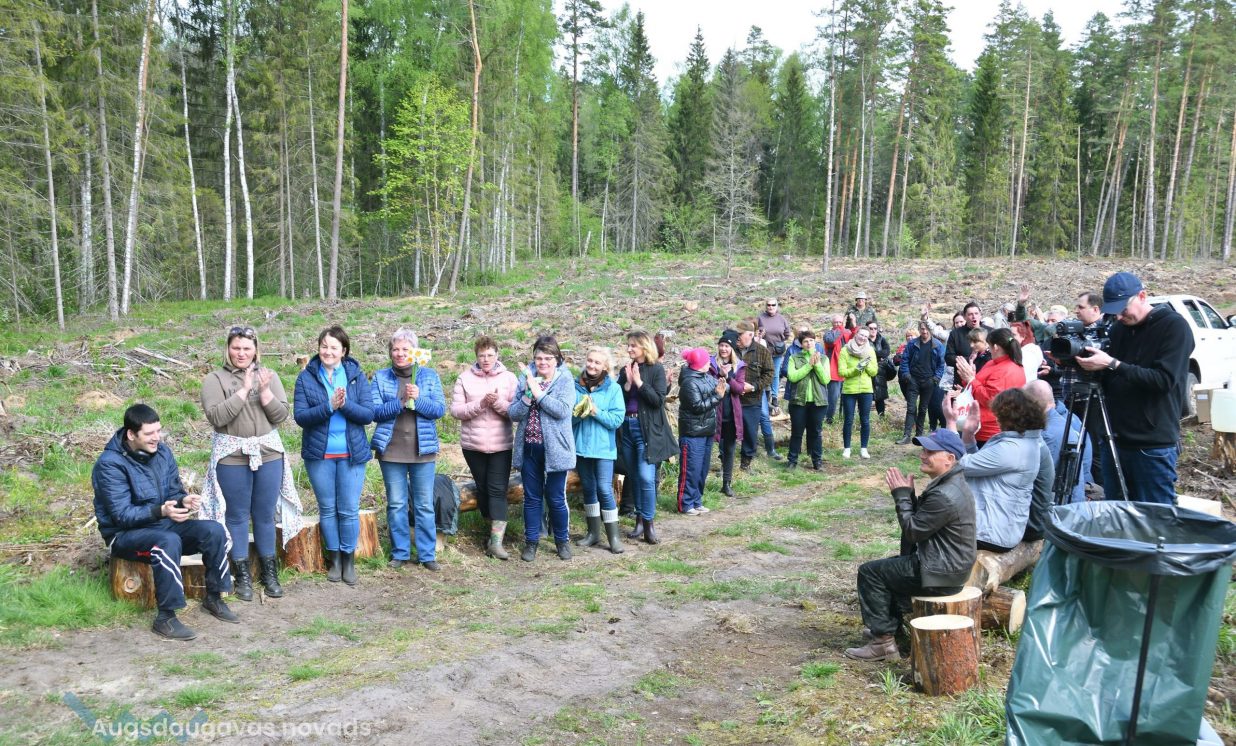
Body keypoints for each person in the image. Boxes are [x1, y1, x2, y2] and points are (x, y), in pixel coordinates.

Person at [93, 404, 238, 640]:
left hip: (161, 524)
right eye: (149, 433)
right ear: (131, 434)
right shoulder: (109, 464)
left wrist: (183, 501)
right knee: (167, 541)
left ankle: (214, 597)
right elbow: (122, 515)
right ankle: (166, 617)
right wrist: (161, 511)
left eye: (158, 431)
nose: (156, 438)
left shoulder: (162, 453)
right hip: (124, 535)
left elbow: (173, 492)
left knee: (213, 530)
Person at [844, 428, 975, 662]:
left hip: (941, 574)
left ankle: (882, 643)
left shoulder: (945, 494)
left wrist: (902, 496)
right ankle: (891, 632)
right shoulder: (951, 484)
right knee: (888, 569)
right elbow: (925, 524)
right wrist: (911, 497)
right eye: (923, 450)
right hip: (947, 567)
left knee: (871, 573)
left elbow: (913, 532)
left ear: (949, 458)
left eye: (930, 452)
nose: (923, 455)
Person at [1075, 272, 1195, 504]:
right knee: (1117, 512)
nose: (1119, 316)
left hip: (1151, 443)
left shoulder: (1174, 327)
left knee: (1155, 514)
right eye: (1114, 311)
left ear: (1142, 296)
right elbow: (1108, 379)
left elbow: (1164, 381)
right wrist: (1080, 364)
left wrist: (1113, 364)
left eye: (1123, 308)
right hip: (1114, 439)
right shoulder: (1119, 329)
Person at [200, 325, 300, 601]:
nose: (241, 353)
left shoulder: (269, 375)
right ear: (228, 349)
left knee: (264, 515)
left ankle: (269, 573)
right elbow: (217, 417)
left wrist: (264, 391)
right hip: (231, 456)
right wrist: (244, 390)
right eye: (236, 348)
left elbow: (280, 416)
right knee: (237, 515)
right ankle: (242, 575)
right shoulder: (214, 379)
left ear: (256, 350)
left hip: (268, 454)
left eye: (247, 348)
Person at [293, 325, 373, 586]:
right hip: (319, 454)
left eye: (334, 347)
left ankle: (349, 561)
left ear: (344, 351)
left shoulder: (355, 376)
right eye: (324, 346)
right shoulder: (306, 378)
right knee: (328, 509)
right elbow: (301, 417)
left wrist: (345, 405)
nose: (328, 351)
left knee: (348, 509)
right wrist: (329, 407)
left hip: (352, 453)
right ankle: (335, 560)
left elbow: (368, 414)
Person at [371, 329, 447, 572]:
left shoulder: (429, 376)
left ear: (415, 352)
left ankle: (426, 554)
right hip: (391, 451)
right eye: (395, 349)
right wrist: (401, 401)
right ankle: (400, 553)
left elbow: (439, 410)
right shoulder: (381, 377)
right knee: (396, 504)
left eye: (405, 349)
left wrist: (419, 399)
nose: (400, 353)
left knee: (424, 504)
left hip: (422, 451)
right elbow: (375, 412)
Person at [946, 388, 1045, 552]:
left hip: (990, 533)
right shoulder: (1025, 442)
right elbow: (980, 465)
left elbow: (957, 465)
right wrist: (968, 435)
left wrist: (951, 423)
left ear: (1009, 416)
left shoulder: (1012, 448)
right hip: (1001, 529)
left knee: (924, 525)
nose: (995, 418)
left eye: (998, 414)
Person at [508, 335, 577, 561]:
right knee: (532, 497)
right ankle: (531, 542)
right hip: (530, 447)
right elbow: (513, 414)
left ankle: (562, 541)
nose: (543, 362)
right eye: (539, 358)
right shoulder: (525, 378)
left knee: (556, 497)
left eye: (548, 358)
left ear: (557, 359)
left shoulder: (565, 380)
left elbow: (562, 410)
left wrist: (538, 393)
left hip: (556, 449)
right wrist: (527, 398)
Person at [450, 335, 518, 559]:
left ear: (497, 355)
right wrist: (481, 404)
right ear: (476, 357)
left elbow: (516, 411)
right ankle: (491, 531)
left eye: (490, 355)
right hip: (473, 446)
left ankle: (496, 543)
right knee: (483, 488)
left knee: (497, 489)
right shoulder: (464, 378)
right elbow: (456, 411)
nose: (486, 359)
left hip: (501, 445)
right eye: (482, 355)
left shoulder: (509, 378)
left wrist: (496, 402)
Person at [617, 331, 677, 543]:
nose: (629, 349)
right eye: (629, 345)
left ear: (644, 347)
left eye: (633, 345)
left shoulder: (656, 369)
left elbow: (658, 401)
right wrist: (627, 385)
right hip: (627, 427)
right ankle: (639, 521)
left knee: (645, 477)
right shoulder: (626, 369)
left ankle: (649, 523)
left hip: (647, 431)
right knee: (634, 476)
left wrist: (640, 383)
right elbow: (618, 399)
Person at [572, 346, 626, 553]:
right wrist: (580, 413)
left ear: (605, 366)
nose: (592, 365)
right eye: (590, 361)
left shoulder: (614, 389)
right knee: (588, 487)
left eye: (597, 362)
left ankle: (614, 538)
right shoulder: (576, 386)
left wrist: (595, 411)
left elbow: (616, 420)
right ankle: (593, 533)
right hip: (581, 447)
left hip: (603, 449)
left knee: (604, 488)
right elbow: (567, 419)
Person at [677, 348, 727, 515]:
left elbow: (720, 388)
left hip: (706, 431)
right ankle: (685, 503)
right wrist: (718, 396)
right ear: (699, 364)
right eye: (707, 361)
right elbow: (697, 407)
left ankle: (697, 501)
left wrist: (724, 381)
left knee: (702, 470)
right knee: (690, 470)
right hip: (692, 433)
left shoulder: (706, 376)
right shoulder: (689, 383)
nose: (709, 363)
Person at [955, 328, 1024, 447]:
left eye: (989, 345)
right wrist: (969, 378)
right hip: (980, 427)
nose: (988, 349)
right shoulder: (993, 363)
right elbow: (978, 386)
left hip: (990, 432)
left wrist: (971, 379)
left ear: (995, 347)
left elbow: (990, 400)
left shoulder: (1005, 369)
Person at [1025, 380, 1090, 505]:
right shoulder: (1072, 420)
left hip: (1057, 506)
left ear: (1032, 403)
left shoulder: (1047, 434)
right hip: (1075, 499)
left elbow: (1041, 480)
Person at [785, 329, 829, 470]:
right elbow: (793, 377)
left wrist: (817, 364)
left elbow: (825, 379)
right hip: (798, 401)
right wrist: (809, 365)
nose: (809, 343)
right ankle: (792, 461)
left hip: (818, 401)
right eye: (805, 341)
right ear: (801, 344)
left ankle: (817, 461)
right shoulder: (794, 358)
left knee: (816, 432)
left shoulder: (824, 358)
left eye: (811, 340)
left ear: (815, 342)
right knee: (797, 432)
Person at [734, 320, 776, 469]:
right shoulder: (730, 349)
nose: (737, 337)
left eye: (740, 334)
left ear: (750, 335)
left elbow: (769, 373)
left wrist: (754, 387)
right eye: (736, 334)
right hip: (732, 399)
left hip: (752, 400)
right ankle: (725, 464)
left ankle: (746, 464)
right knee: (728, 432)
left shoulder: (762, 351)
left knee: (750, 432)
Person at [896, 322, 945, 445]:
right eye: (922, 329)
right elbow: (905, 360)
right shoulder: (912, 344)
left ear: (931, 330)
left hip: (929, 381)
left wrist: (936, 379)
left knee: (923, 409)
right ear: (919, 329)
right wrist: (906, 375)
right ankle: (906, 435)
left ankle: (919, 435)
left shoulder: (937, 345)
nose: (925, 331)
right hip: (913, 380)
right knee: (911, 408)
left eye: (927, 329)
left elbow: (941, 364)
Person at [711, 330, 746, 496]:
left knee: (729, 450)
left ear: (732, 349)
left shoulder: (739, 366)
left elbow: (739, 389)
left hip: (731, 415)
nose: (723, 349)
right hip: (714, 413)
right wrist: (718, 376)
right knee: (711, 448)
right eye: (721, 345)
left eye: (727, 346)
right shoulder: (711, 364)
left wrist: (728, 378)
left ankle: (726, 483)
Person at [839, 327, 879, 459]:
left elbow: (874, 372)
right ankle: (847, 449)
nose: (863, 338)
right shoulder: (845, 350)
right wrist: (856, 370)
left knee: (865, 420)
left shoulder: (870, 351)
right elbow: (842, 372)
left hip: (866, 390)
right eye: (861, 335)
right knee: (848, 420)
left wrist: (865, 365)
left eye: (866, 336)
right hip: (849, 390)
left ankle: (864, 449)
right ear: (856, 334)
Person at [756, 297, 792, 411]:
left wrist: (779, 341)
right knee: (764, 372)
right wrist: (760, 335)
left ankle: (774, 396)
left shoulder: (782, 319)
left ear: (777, 306)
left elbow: (787, 333)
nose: (771, 307)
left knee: (775, 374)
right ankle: (765, 395)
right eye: (768, 305)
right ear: (766, 306)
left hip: (777, 351)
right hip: (764, 351)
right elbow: (755, 332)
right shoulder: (760, 318)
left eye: (773, 305)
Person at [821, 314, 853, 425]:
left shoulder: (847, 332)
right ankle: (829, 418)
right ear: (832, 323)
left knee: (846, 395)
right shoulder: (828, 334)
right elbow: (832, 341)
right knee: (833, 396)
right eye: (836, 322)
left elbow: (854, 337)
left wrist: (852, 325)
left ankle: (844, 418)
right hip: (833, 369)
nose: (838, 324)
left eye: (840, 322)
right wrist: (840, 331)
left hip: (846, 368)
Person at [945, 302, 988, 382]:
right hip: (962, 380)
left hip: (985, 379)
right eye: (970, 314)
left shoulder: (990, 332)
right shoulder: (955, 334)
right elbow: (948, 358)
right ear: (965, 317)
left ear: (980, 315)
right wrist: (969, 359)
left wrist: (978, 359)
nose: (974, 316)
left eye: (976, 313)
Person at [867, 321, 892, 417]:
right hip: (867, 370)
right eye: (871, 328)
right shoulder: (864, 339)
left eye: (875, 328)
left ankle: (881, 417)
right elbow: (863, 353)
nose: (873, 330)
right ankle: (864, 418)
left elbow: (887, 351)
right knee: (866, 395)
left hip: (880, 371)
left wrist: (873, 354)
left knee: (880, 396)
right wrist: (878, 355)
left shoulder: (881, 339)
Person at [1011, 321, 1043, 385]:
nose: (1010, 338)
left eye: (1013, 335)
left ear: (1023, 336)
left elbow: (1022, 375)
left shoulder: (1027, 354)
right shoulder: (1031, 350)